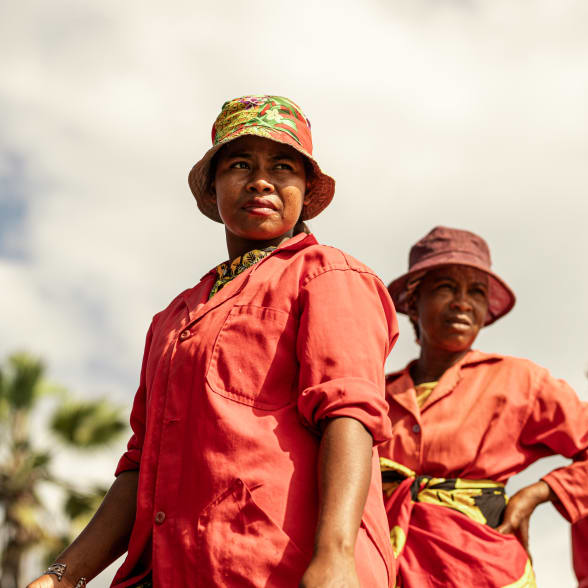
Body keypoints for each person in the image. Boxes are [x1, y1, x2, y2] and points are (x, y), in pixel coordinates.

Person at [27, 95, 398, 588]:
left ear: (305, 189)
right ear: (214, 187)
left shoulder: (328, 274)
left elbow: (350, 414)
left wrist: (335, 556)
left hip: (279, 568)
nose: (260, 179)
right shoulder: (174, 318)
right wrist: (61, 576)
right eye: (240, 164)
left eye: (282, 166)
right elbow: (142, 465)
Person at [378, 226, 588, 587]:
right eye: (446, 288)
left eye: (476, 292)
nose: (463, 303)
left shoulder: (519, 379)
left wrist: (538, 493)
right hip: (385, 569)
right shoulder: (374, 394)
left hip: (484, 571)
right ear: (413, 301)